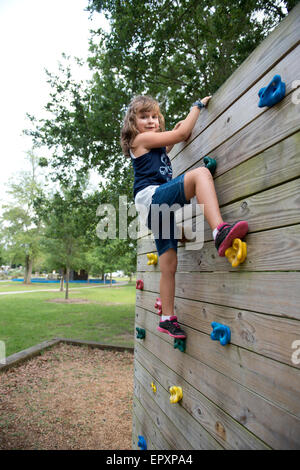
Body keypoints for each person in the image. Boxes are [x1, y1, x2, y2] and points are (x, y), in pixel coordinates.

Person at [121, 95, 248, 339]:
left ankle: (167, 318)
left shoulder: (154, 145)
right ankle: (219, 231)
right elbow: (181, 136)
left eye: (154, 117)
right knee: (200, 174)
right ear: (133, 123)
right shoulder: (141, 139)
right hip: (152, 198)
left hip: (156, 210)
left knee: (169, 265)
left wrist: (179, 128)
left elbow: (174, 140)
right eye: (144, 117)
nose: (150, 121)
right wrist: (196, 107)